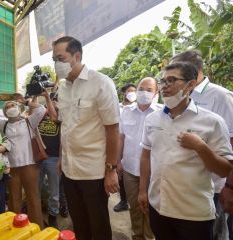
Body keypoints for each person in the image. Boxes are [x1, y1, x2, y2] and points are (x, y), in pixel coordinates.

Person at [138, 62, 233, 240]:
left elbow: (225, 169)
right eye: (163, 81)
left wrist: (200, 147)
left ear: (190, 85)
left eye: (171, 80)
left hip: (193, 214)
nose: (164, 86)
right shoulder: (152, 119)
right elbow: (145, 155)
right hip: (158, 207)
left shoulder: (212, 121)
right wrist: (143, 190)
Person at [53, 36, 120, 240]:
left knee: (98, 225)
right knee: (79, 223)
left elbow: (113, 129)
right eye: (53, 59)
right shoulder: (62, 89)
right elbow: (65, 127)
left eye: (61, 58)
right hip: (69, 170)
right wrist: (61, 158)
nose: (56, 64)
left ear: (77, 56)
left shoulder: (100, 83)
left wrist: (111, 170)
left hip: (94, 172)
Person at [171, 50, 233, 240]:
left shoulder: (220, 97)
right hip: (183, 185)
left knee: (211, 233)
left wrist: (230, 187)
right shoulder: (178, 96)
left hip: (212, 187)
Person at [0, 94, 45, 229]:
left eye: (13, 105)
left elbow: (42, 110)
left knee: (33, 197)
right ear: (4, 112)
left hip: (29, 164)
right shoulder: (3, 124)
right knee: (14, 199)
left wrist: (26, 102)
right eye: (7, 107)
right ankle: (16, 228)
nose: (11, 107)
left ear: (18, 107)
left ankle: (36, 228)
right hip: (11, 167)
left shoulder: (28, 121)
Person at [118, 77, 161, 240]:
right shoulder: (126, 111)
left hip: (153, 172)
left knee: (150, 208)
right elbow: (121, 137)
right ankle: (137, 235)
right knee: (134, 207)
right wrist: (118, 161)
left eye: (149, 90)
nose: (144, 92)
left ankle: (149, 237)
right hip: (129, 169)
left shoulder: (162, 113)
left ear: (156, 92)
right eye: (141, 88)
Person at [37, 90, 60, 228]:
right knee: (36, 189)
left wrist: (47, 98)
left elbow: (54, 116)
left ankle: (53, 216)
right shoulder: (40, 116)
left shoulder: (59, 118)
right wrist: (35, 94)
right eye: (52, 101)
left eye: (55, 101)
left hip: (54, 159)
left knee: (54, 192)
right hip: (39, 159)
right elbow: (33, 107)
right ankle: (37, 213)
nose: (54, 103)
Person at [114, 83, 137, 213]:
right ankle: (124, 200)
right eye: (129, 90)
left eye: (134, 90)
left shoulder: (141, 108)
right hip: (119, 141)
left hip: (132, 144)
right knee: (120, 172)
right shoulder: (119, 107)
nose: (132, 93)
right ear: (124, 93)